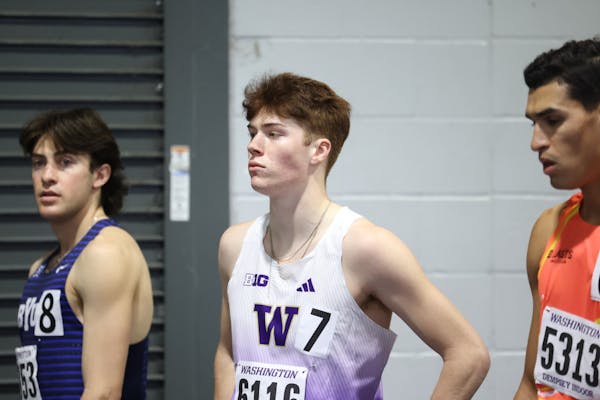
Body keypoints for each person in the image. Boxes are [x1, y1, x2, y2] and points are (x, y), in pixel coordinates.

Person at [214, 72, 490, 399]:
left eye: (273, 134)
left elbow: (469, 355)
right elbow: (228, 353)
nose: (253, 146)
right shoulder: (235, 246)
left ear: (319, 150)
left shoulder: (366, 248)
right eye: (253, 133)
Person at [16, 108, 154, 399]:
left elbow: (103, 393)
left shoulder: (105, 252)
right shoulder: (40, 268)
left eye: (65, 162)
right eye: (39, 163)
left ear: (100, 175)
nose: (47, 176)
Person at [514, 38, 600, 400]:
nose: (536, 142)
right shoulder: (549, 229)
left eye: (552, 121)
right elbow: (532, 383)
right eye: (534, 124)